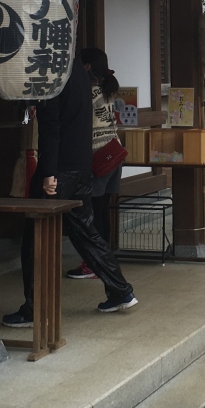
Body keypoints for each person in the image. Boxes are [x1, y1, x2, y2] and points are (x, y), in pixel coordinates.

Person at [3, 59, 137, 326]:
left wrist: (49, 172)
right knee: (86, 232)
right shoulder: (78, 71)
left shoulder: (53, 75)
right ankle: (120, 290)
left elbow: (51, 128)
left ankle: (35, 308)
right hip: (81, 166)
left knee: (36, 239)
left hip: (58, 168)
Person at [67, 47, 122, 280]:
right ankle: (105, 260)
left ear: (87, 67)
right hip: (114, 153)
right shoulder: (108, 89)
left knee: (93, 215)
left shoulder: (86, 92)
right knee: (102, 211)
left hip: (98, 157)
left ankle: (94, 264)